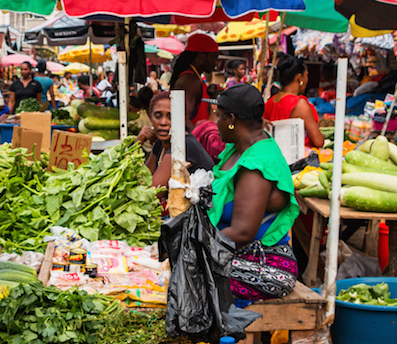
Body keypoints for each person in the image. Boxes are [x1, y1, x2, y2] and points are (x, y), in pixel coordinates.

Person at [210, 84, 299, 304]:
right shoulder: (239, 147)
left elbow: (242, 232)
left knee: (186, 278)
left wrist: (193, 245)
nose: (216, 123)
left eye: (219, 117)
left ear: (232, 119)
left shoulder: (256, 166)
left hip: (265, 265)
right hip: (236, 255)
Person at [139, 91, 214, 188]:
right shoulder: (161, 144)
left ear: (183, 118)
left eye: (170, 116)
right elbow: (142, 179)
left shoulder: (184, 145)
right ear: (150, 116)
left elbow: (150, 191)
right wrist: (138, 141)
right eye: (158, 116)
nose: (163, 122)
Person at [264, 54, 326, 149]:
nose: (307, 79)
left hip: (276, 156)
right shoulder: (299, 104)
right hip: (298, 159)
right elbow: (318, 141)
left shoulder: (270, 102)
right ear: (299, 77)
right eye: (306, 76)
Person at [172, 34, 220, 130]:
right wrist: (198, 139)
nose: (216, 63)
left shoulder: (192, 77)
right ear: (202, 56)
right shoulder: (191, 80)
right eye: (214, 57)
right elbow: (182, 119)